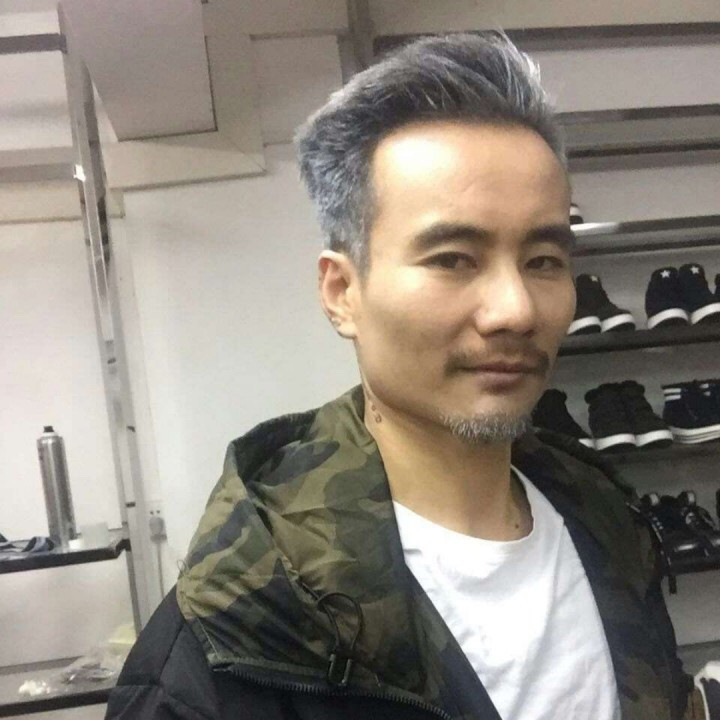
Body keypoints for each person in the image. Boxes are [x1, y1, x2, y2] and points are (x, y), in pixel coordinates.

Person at [105, 33, 706, 720]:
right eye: (453, 259)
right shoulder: (240, 635)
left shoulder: (608, 524)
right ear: (342, 292)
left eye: (543, 260)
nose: (515, 310)